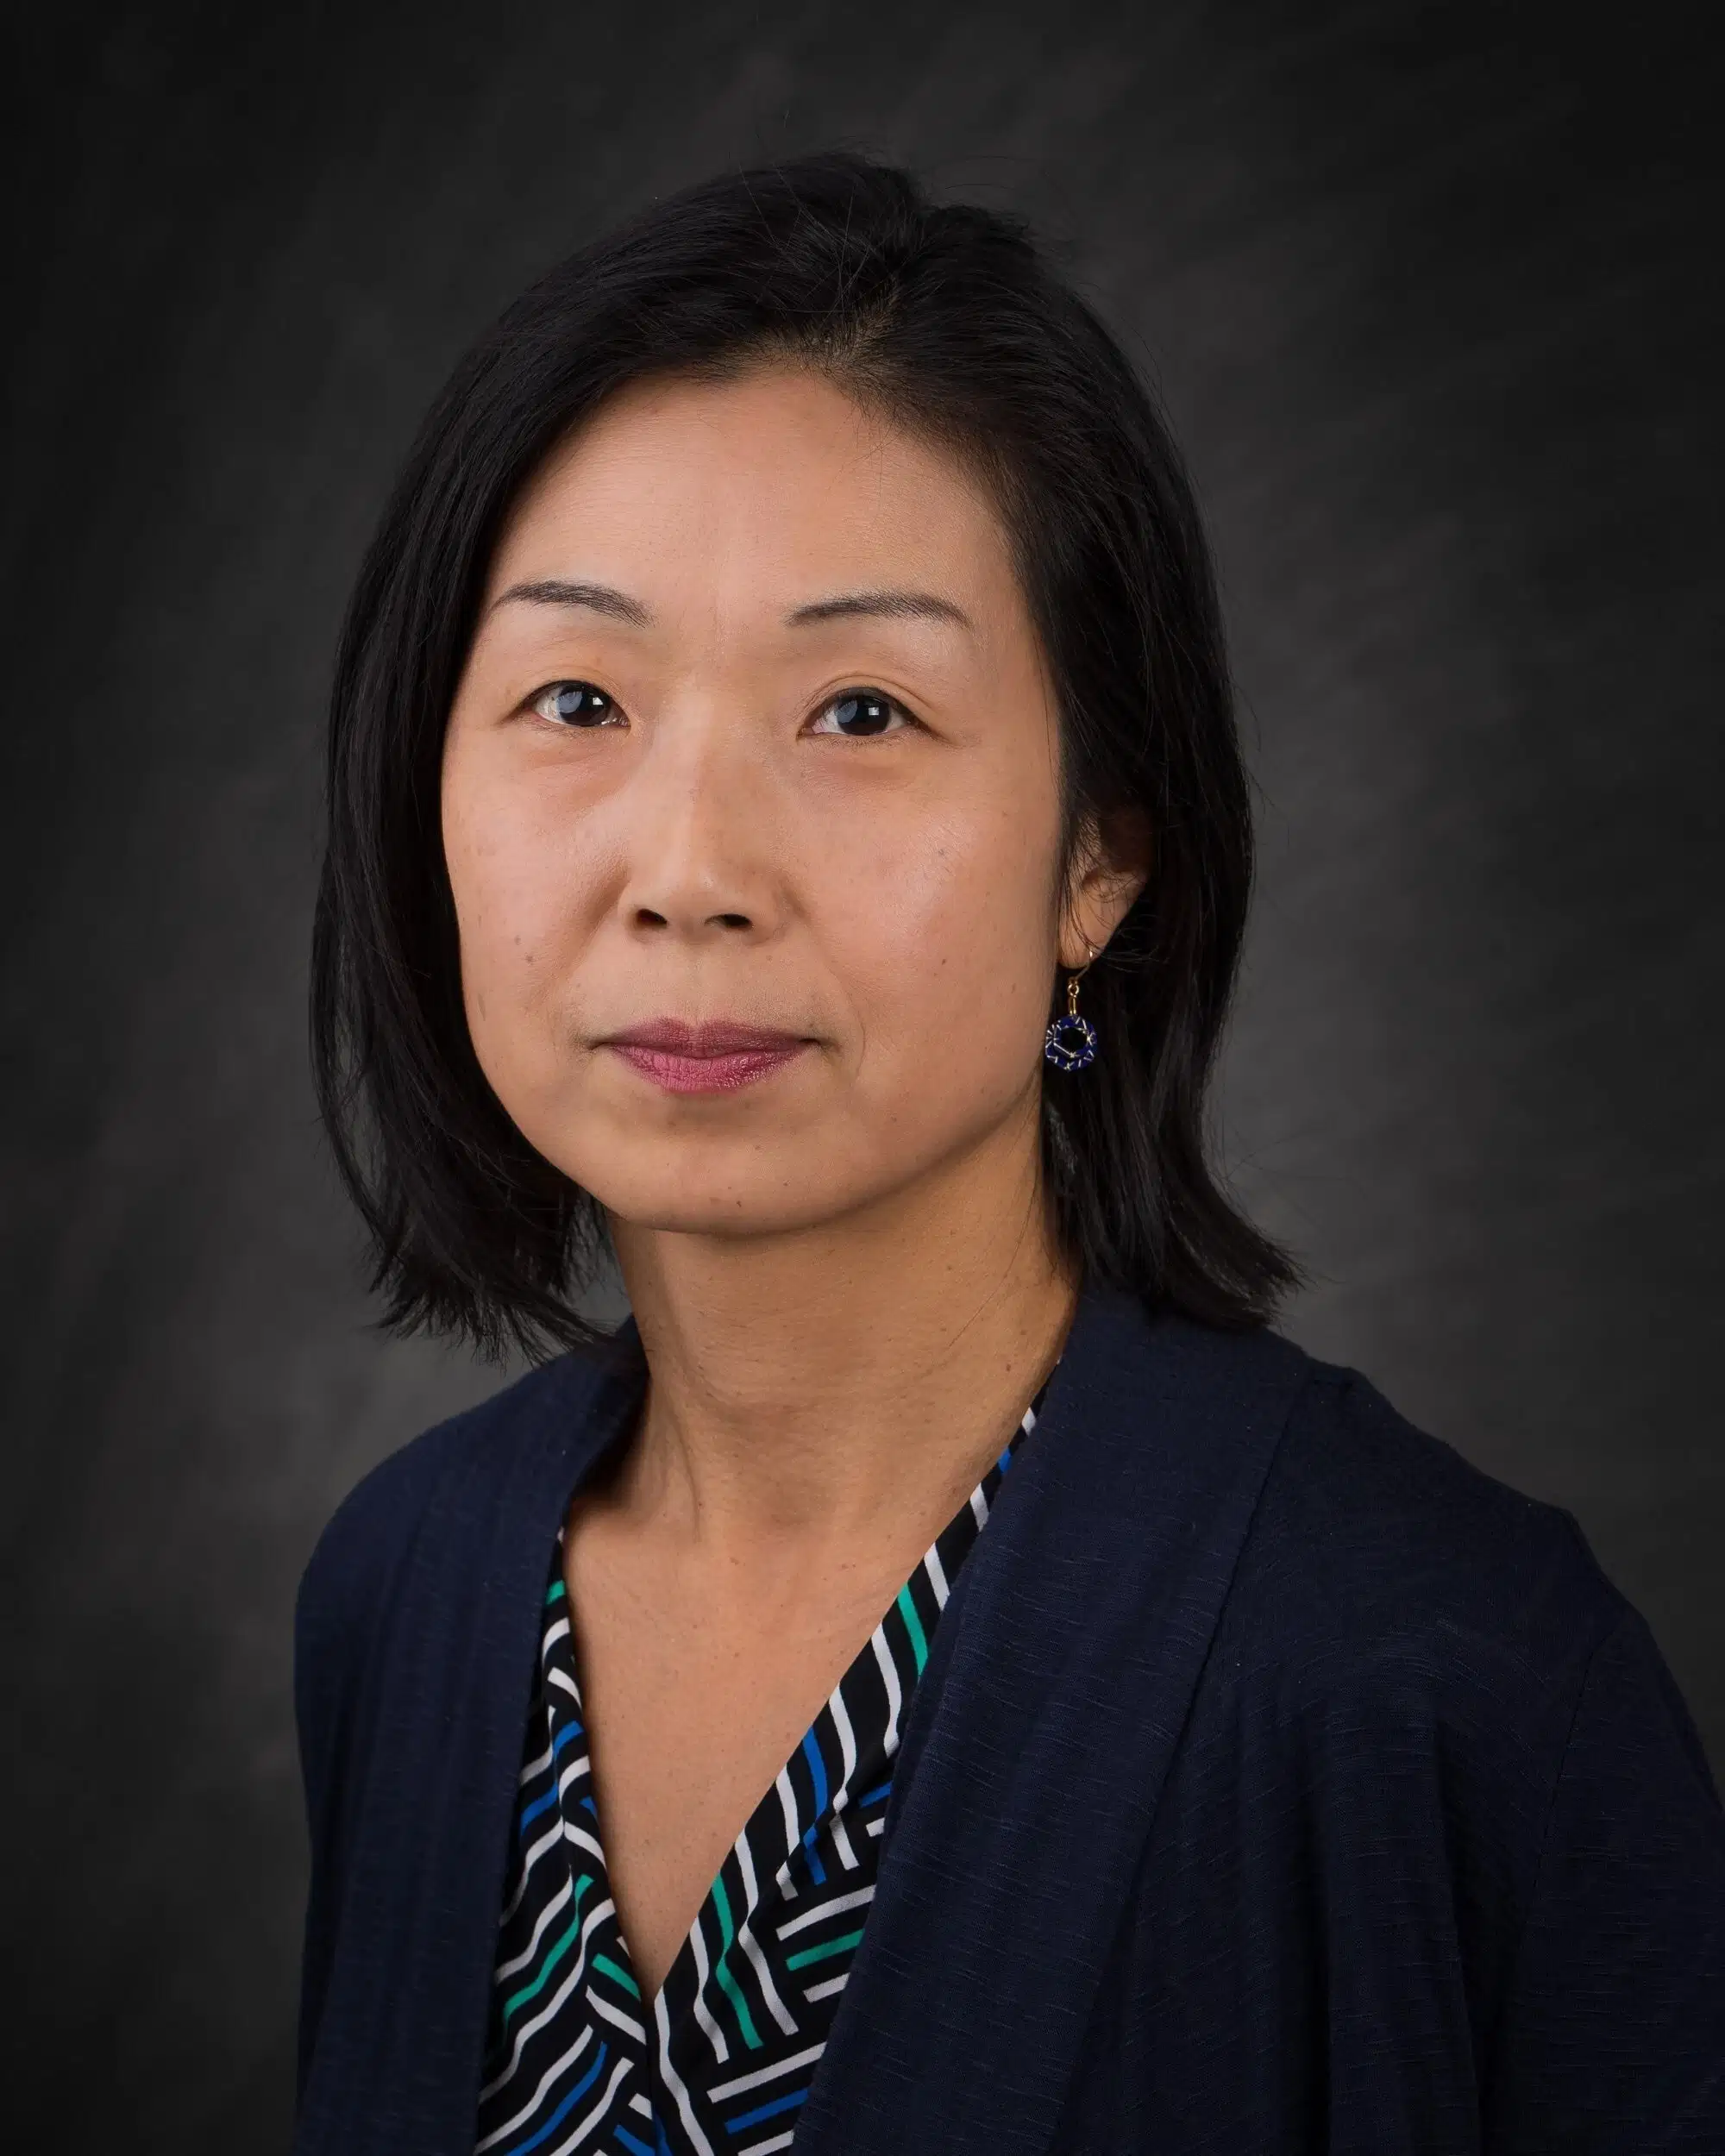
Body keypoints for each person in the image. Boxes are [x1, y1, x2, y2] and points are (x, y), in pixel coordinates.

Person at [294, 153, 1725, 2155]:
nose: (688, 870)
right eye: (577, 697)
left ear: (1101, 855)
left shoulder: (1445, 1673)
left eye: (862, 708)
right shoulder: (407, 1590)